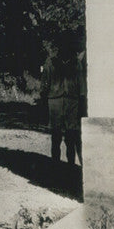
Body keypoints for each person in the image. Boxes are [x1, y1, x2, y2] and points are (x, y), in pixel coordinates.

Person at [39, 29, 86, 165]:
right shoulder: (51, 62)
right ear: (59, 46)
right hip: (55, 102)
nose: (65, 47)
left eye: (68, 44)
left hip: (72, 101)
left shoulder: (75, 63)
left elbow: (81, 83)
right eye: (62, 44)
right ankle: (55, 164)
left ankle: (70, 164)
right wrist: (43, 99)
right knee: (56, 135)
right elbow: (44, 82)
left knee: (71, 135)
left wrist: (81, 99)